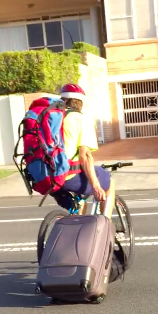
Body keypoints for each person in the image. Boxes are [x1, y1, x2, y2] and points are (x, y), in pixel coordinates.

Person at [52, 83, 115, 218]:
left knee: (79, 202)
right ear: (80, 102)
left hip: (47, 178)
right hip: (68, 176)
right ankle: (106, 227)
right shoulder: (80, 119)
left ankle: (76, 225)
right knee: (109, 183)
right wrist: (96, 186)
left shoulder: (52, 119)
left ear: (63, 100)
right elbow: (85, 156)